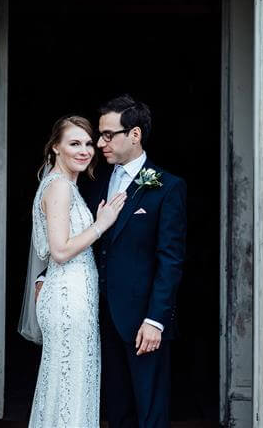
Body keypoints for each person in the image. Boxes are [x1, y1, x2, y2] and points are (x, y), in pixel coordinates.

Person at [20, 115, 127, 428]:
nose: (85, 150)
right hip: (67, 300)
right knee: (69, 384)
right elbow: (60, 250)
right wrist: (101, 224)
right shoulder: (59, 188)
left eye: (88, 143)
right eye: (74, 143)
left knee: (70, 382)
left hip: (75, 296)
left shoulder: (64, 185)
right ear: (55, 147)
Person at [87, 95, 187, 428]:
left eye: (108, 134)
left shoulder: (167, 186)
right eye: (100, 134)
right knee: (112, 409)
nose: (100, 143)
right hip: (99, 316)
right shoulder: (94, 180)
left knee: (150, 409)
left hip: (143, 321)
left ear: (135, 135)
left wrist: (156, 320)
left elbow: (170, 259)